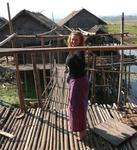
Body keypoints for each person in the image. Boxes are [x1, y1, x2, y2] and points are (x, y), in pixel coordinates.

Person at [65, 30, 89, 140]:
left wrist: (74, 53)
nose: (74, 41)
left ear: (80, 41)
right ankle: (77, 128)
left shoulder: (79, 51)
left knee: (77, 106)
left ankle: (82, 133)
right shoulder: (71, 50)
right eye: (72, 39)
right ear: (70, 39)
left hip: (79, 81)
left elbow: (81, 65)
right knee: (73, 105)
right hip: (74, 80)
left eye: (76, 39)